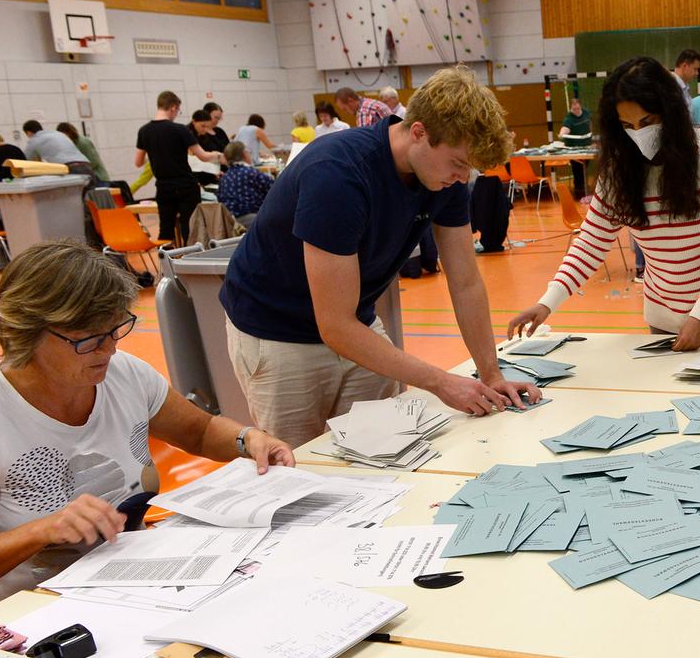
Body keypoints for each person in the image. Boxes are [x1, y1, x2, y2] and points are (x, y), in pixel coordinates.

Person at [219, 66, 537, 447]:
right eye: (458, 164)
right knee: (299, 465)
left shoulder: (443, 176)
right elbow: (334, 326)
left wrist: (490, 375)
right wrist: (440, 382)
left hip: (355, 320)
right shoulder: (338, 173)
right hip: (276, 331)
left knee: (385, 452)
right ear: (418, 131)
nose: (461, 178)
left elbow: (466, 281)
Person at [0, 240, 294, 609]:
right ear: (28, 332)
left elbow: (200, 432)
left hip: (133, 582)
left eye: (116, 330)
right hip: (36, 608)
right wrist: (43, 529)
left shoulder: (121, 373)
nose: (110, 349)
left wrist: (247, 439)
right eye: (91, 340)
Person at [508, 57, 700, 351]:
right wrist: (546, 303)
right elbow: (590, 243)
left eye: (647, 122)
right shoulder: (618, 170)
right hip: (663, 311)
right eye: (627, 125)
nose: (639, 132)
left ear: (669, 111)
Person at [134, 91, 223, 246]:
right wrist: (217, 154)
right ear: (173, 108)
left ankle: (168, 265)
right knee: (189, 228)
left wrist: (158, 152)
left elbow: (138, 162)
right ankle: (192, 264)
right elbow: (202, 156)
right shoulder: (180, 129)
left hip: (163, 187)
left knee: (166, 231)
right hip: (186, 186)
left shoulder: (144, 131)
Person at [217, 142, 273, 227]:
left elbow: (220, 198)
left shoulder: (225, 177)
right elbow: (274, 190)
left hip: (230, 222)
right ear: (244, 154)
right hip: (254, 220)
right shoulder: (251, 173)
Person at [559, 96, 592, 197]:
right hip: (574, 147)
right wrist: (562, 134)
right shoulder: (569, 118)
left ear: (580, 106)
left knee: (584, 167)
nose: (576, 111)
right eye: (574, 109)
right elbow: (564, 129)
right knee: (577, 168)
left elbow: (591, 123)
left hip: (586, 145)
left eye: (578, 108)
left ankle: (583, 187)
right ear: (571, 109)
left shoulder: (586, 113)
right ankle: (578, 189)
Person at [22, 121, 87, 167]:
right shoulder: (58, 133)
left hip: (68, 167)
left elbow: (24, 161)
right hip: (85, 163)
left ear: (28, 132)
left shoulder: (34, 140)